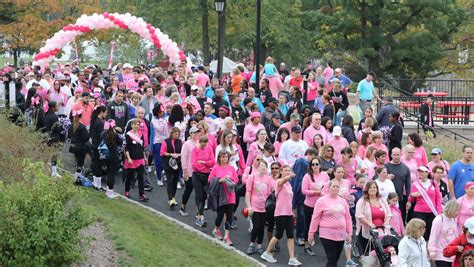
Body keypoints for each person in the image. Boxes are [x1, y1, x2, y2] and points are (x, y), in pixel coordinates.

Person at [261, 165, 302, 266]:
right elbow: (282, 181)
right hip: (280, 213)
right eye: (285, 170)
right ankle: (266, 253)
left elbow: (289, 201)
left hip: (288, 214)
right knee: (278, 234)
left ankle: (292, 258)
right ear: (281, 172)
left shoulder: (289, 185)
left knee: (290, 235)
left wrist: (292, 212)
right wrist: (289, 176)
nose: (287, 172)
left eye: (289, 170)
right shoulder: (279, 182)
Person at [308, 179, 353, 267]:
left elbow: (348, 217)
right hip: (327, 234)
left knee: (335, 259)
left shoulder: (343, 201)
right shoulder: (321, 201)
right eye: (333, 186)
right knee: (331, 259)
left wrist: (350, 232)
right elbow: (315, 218)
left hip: (341, 234)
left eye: (337, 186)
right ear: (328, 188)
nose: (335, 188)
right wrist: (311, 233)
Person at [209, 151, 239, 246]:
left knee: (229, 216)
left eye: (226, 157)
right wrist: (220, 180)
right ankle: (217, 229)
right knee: (220, 216)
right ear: (219, 158)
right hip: (220, 196)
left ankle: (227, 236)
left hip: (230, 195)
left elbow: (236, 179)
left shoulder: (231, 168)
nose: (225, 159)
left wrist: (230, 180)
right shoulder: (216, 168)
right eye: (223, 157)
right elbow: (210, 180)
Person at [245, 160, 274, 255]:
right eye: (261, 165)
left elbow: (270, 192)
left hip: (264, 207)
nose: (263, 167)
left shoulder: (268, 179)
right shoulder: (252, 177)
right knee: (256, 226)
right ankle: (251, 244)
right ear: (258, 167)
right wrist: (249, 206)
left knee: (262, 227)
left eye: (265, 166)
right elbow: (248, 192)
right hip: (254, 206)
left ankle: (259, 246)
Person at [291, 148, 319, 247]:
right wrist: (295, 197)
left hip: (311, 196)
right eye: (313, 158)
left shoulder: (312, 166)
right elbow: (297, 179)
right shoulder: (301, 162)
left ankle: (308, 236)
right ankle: (300, 236)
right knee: (302, 216)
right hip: (301, 194)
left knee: (310, 217)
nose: (315, 163)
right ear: (309, 154)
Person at [302, 157, 330, 256]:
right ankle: (307, 245)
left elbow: (328, 187)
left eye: (316, 164)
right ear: (310, 166)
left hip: (322, 204)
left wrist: (323, 192)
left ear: (320, 165)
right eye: (313, 164)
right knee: (308, 225)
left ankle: (327, 246)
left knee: (324, 225)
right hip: (310, 205)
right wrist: (316, 192)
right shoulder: (307, 176)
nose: (315, 166)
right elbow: (304, 191)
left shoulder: (325, 175)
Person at [355, 181, 392, 255]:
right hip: (367, 232)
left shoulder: (382, 200)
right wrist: (369, 223)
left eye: (374, 187)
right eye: (370, 188)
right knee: (369, 255)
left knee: (383, 254)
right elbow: (359, 215)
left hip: (382, 232)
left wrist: (387, 221)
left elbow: (389, 213)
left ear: (377, 189)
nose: (372, 189)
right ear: (367, 190)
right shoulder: (362, 201)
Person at [407, 166, 442, 241]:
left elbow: (438, 198)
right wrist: (412, 195)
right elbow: (411, 199)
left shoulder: (433, 183)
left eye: (422, 171)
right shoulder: (415, 184)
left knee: (431, 230)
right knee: (419, 230)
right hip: (419, 211)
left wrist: (439, 212)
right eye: (419, 171)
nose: (420, 173)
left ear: (427, 172)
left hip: (431, 211)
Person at [428, 200, 461, 267]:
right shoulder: (439, 219)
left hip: (451, 253)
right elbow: (433, 236)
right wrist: (432, 251)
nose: (458, 213)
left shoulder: (453, 219)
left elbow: (456, 236)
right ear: (451, 209)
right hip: (440, 254)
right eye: (456, 211)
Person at [192, 135, 215, 226]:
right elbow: (194, 164)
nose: (203, 145)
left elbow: (212, 162)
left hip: (206, 175)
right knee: (199, 194)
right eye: (202, 142)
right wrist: (204, 166)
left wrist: (204, 163)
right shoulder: (195, 150)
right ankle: (200, 215)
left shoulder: (209, 149)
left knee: (204, 195)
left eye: (205, 143)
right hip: (197, 174)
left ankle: (199, 213)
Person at [124, 118, 149, 202]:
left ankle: (142, 194)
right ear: (131, 125)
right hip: (132, 158)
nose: (136, 126)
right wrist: (129, 158)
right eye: (134, 124)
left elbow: (142, 147)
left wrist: (145, 157)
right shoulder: (128, 135)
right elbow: (126, 148)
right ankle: (127, 191)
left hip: (140, 158)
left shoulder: (141, 134)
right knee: (130, 176)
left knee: (140, 177)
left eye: (138, 124)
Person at [386, 147, 411, 223]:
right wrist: (387, 177)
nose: (396, 156)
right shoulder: (386, 166)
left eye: (398, 154)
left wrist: (408, 199)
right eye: (394, 155)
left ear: (401, 155)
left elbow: (408, 185)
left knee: (400, 220)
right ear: (391, 155)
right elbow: (377, 178)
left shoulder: (405, 168)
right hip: (387, 198)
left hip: (400, 198)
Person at [179, 126, 200, 217]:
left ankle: (198, 211)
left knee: (199, 191)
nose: (196, 134)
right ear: (190, 133)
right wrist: (185, 170)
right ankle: (183, 206)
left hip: (198, 170)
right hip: (189, 170)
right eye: (194, 132)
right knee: (188, 190)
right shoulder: (187, 144)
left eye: (197, 132)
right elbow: (183, 158)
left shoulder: (199, 143)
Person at [161, 127, 182, 209]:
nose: (177, 135)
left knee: (175, 181)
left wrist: (178, 155)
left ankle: (173, 197)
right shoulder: (165, 141)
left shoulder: (180, 142)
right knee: (169, 181)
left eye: (178, 134)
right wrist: (171, 154)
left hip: (177, 164)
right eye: (176, 134)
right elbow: (162, 152)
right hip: (168, 163)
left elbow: (182, 152)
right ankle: (170, 199)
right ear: (172, 134)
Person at [102, 119, 122, 199]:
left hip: (106, 155)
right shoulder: (115, 135)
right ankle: (110, 192)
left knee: (108, 173)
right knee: (112, 174)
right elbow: (120, 142)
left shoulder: (103, 134)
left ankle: (108, 190)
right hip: (114, 156)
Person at [68, 109, 90, 182]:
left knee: (77, 163)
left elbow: (69, 136)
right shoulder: (82, 127)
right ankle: (77, 178)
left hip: (73, 146)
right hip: (80, 147)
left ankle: (77, 177)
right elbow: (86, 138)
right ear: (81, 117)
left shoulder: (71, 126)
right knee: (80, 163)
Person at [89, 105, 107, 191]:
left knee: (95, 164)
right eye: (105, 112)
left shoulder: (94, 121)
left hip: (94, 144)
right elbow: (101, 136)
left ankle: (95, 183)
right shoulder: (100, 123)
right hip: (99, 146)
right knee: (98, 165)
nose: (106, 114)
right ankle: (98, 185)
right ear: (101, 112)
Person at [151, 103, 168, 186]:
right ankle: (159, 178)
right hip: (157, 142)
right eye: (161, 111)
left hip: (165, 142)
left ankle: (164, 173)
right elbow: (160, 129)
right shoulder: (154, 120)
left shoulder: (165, 119)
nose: (163, 113)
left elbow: (167, 131)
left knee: (166, 161)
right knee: (158, 161)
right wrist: (161, 120)